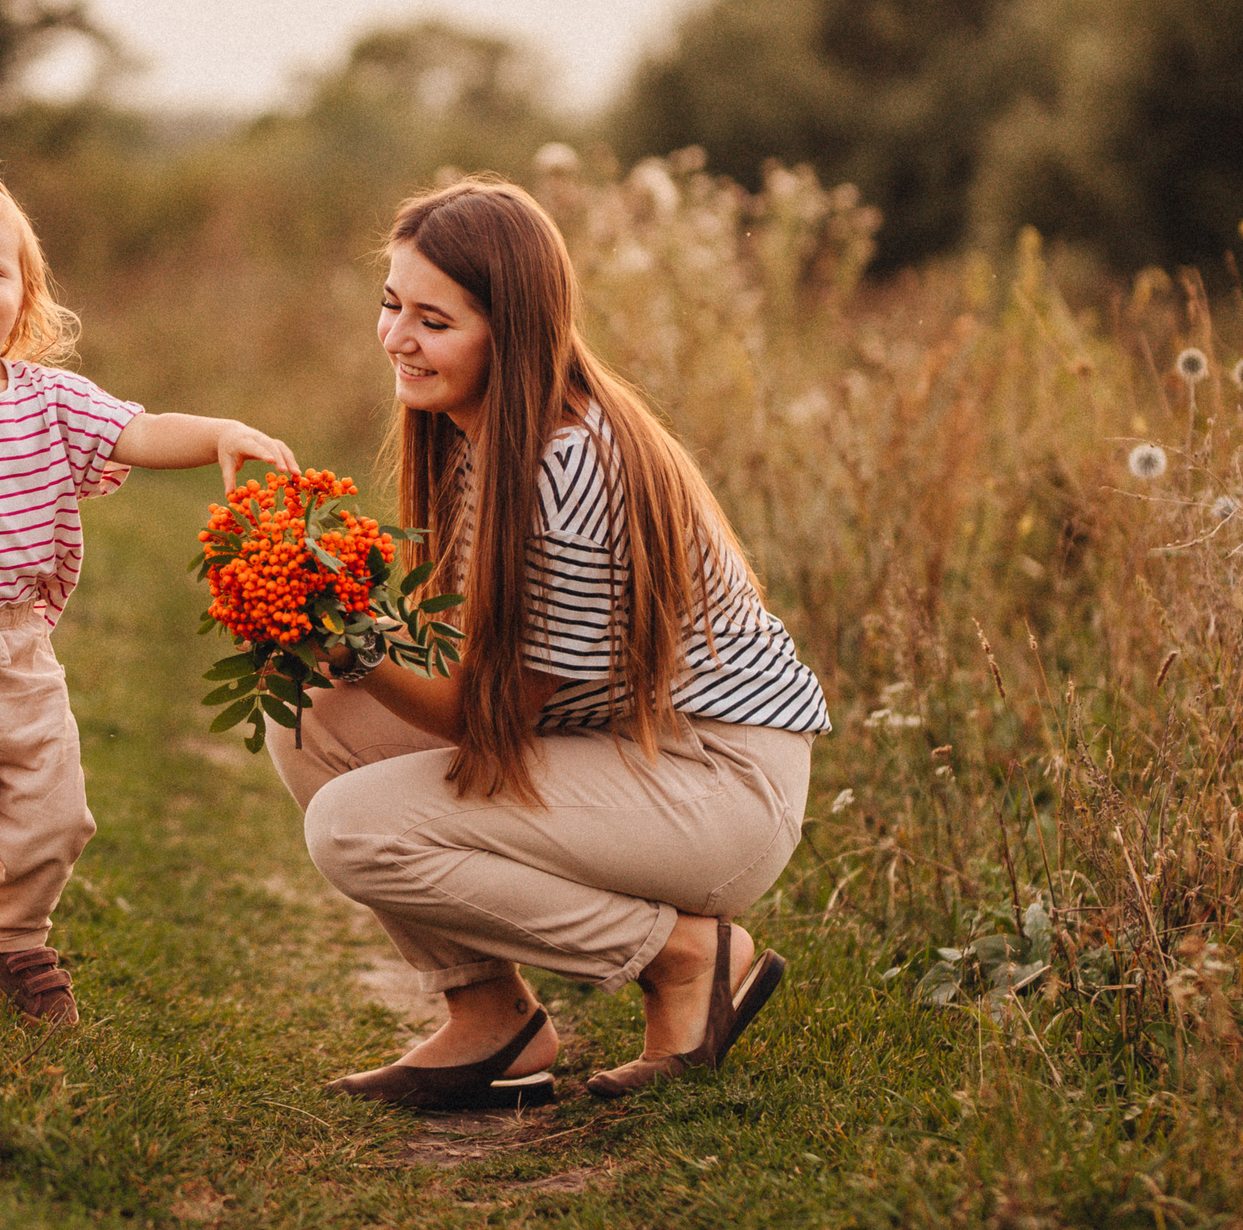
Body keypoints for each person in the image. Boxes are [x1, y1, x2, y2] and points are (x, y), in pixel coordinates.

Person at [272, 176, 828, 1107]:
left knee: (353, 825)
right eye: (391, 304)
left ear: (513, 329)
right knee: (310, 719)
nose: (397, 339)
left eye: (434, 321)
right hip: (625, 745)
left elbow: (485, 718)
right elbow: (476, 665)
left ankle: (692, 957)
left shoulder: (568, 470)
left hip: (716, 782)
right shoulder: (478, 433)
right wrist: (328, 631)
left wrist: (359, 643)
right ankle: (492, 1018)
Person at [0, 146, 295, 1025]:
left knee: (57, 818)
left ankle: (7, 937)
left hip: (16, 643)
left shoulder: (47, 399)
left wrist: (222, 429)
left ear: (23, 299)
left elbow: (141, 433)